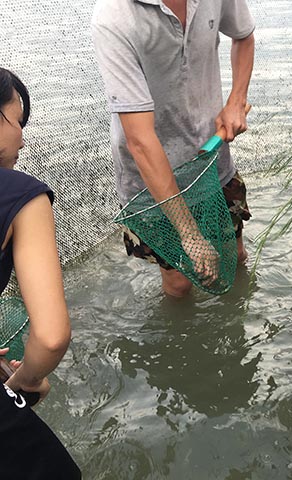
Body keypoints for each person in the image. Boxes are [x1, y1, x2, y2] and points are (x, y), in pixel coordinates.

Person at [91, 0, 255, 297]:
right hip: (149, 175)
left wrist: (235, 100)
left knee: (235, 256)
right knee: (180, 283)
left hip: (210, 156)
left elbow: (243, 36)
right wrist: (189, 233)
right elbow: (140, 140)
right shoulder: (114, 17)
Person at [0, 68, 81, 478]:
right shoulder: (19, 193)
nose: (23, 138)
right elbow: (50, 337)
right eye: (17, 121)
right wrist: (25, 381)